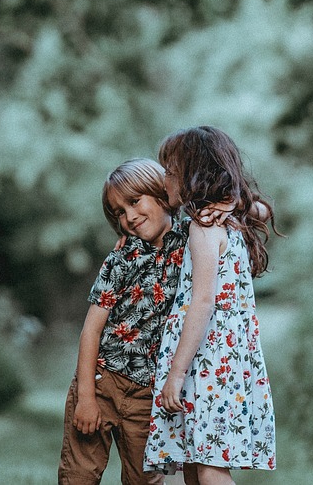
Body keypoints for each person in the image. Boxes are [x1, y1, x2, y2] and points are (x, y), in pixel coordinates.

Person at [58, 158, 237, 485]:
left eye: (134, 201)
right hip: (102, 382)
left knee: (145, 480)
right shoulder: (122, 257)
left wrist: (228, 205)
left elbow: (258, 212)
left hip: (150, 394)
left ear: (161, 192)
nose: (129, 217)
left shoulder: (193, 237)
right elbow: (91, 330)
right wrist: (85, 396)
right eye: (119, 212)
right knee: (78, 476)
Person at [144, 126, 277, 484]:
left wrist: (176, 374)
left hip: (206, 365)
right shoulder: (230, 220)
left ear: (192, 176)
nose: (164, 182)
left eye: (170, 172)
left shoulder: (204, 228)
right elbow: (262, 209)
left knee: (209, 470)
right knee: (196, 462)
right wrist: (235, 201)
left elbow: (202, 303)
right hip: (224, 363)